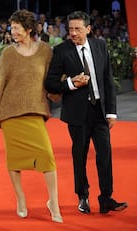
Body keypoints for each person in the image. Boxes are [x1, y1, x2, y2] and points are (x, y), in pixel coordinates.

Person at [0, 9, 63, 223]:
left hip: (35, 110)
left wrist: (62, 88)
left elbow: (52, 76)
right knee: (14, 160)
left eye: (16, 28)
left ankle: (53, 202)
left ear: (28, 29)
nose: (13, 31)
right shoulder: (8, 52)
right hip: (10, 114)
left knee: (47, 156)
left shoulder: (45, 51)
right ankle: (20, 199)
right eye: (12, 28)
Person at [45, 11, 128, 214]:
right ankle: (83, 197)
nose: (72, 33)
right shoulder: (61, 51)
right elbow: (50, 83)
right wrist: (72, 83)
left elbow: (108, 80)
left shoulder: (100, 46)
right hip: (77, 114)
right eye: (70, 29)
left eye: (77, 29)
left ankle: (106, 198)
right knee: (79, 156)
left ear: (88, 29)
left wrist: (112, 112)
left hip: (99, 112)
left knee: (105, 155)